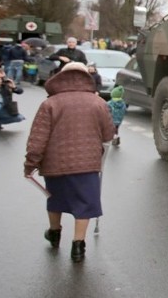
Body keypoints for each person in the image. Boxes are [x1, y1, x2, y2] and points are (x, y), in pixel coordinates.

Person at [24, 61, 115, 262]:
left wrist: (30, 164)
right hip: (88, 164)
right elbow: (109, 134)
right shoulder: (97, 102)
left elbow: (37, 139)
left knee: (55, 198)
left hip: (54, 164)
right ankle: (78, 246)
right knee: (85, 204)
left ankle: (54, 233)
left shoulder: (50, 103)